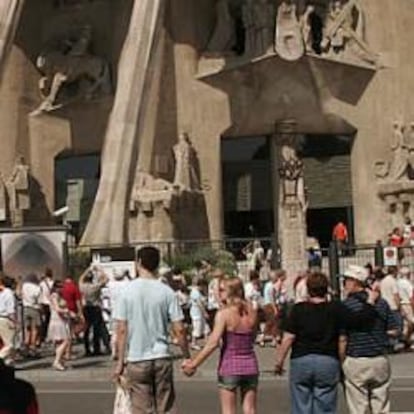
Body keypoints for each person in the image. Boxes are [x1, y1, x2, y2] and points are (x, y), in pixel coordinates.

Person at [275, 270, 379, 414]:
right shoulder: (335, 308)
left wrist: (279, 361)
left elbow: (288, 337)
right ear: (326, 289)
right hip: (327, 359)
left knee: (300, 403)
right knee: (325, 404)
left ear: (308, 289)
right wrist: (370, 303)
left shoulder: (297, 309)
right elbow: (358, 320)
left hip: (301, 359)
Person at [113, 246, 190, 414]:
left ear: (138, 262)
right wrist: (186, 355)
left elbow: (122, 330)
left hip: (137, 357)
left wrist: (120, 362)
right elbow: (179, 328)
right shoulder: (167, 292)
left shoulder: (126, 292)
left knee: (141, 407)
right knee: (166, 405)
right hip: (161, 355)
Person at [182, 277, 259, 414]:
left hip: (229, 365)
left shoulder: (224, 314)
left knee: (228, 410)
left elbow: (212, 343)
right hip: (250, 364)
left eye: (222, 290)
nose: (219, 292)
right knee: (250, 409)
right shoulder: (251, 311)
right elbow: (253, 337)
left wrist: (194, 364)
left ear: (231, 292)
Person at [341, 265, 399, 414]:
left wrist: (341, 359)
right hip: (379, 357)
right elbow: (393, 330)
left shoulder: (346, 305)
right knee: (381, 403)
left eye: (346, 281)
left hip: (356, 357)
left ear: (355, 282)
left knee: (358, 405)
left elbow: (343, 336)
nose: (344, 285)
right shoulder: (381, 303)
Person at [79, 265, 110, 356]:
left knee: (87, 329)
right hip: (95, 307)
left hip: (86, 308)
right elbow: (106, 279)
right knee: (97, 329)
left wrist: (88, 269)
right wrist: (100, 270)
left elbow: (81, 278)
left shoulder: (82, 286)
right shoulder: (95, 286)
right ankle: (97, 348)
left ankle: (87, 349)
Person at [47, 280, 71, 371]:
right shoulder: (55, 296)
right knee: (66, 340)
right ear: (56, 287)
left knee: (59, 342)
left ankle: (59, 361)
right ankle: (57, 361)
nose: (62, 288)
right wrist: (67, 311)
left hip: (60, 319)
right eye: (60, 287)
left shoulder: (57, 295)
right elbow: (57, 308)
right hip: (57, 320)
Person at [60, 273, 83, 359]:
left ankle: (61, 352)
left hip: (62, 311)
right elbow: (78, 301)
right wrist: (80, 313)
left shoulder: (62, 288)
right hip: (72, 311)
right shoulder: (74, 287)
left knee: (63, 333)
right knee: (70, 333)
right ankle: (68, 353)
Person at [21, 274, 41, 357]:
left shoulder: (24, 285)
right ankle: (33, 348)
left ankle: (26, 346)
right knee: (35, 329)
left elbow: (20, 294)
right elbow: (38, 299)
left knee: (27, 329)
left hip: (25, 308)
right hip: (34, 308)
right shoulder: (37, 288)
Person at [189, 277, 210, 351]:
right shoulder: (195, 292)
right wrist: (205, 313)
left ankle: (207, 341)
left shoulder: (198, 292)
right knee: (197, 328)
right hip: (196, 313)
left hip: (199, 313)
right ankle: (193, 343)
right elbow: (199, 304)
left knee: (205, 327)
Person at [0, 274, 16, 365]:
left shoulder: (1, 292)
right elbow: (11, 310)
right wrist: (14, 321)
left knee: (6, 343)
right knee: (10, 344)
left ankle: (8, 363)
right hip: (6, 319)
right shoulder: (9, 293)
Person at [397, 266, 414, 349]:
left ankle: (407, 341)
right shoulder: (407, 284)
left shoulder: (398, 282)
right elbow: (411, 297)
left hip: (402, 304)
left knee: (406, 324)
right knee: (412, 323)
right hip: (408, 304)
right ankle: (408, 340)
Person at [39, 268, 54, 345]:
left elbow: (40, 293)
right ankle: (49, 336)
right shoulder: (52, 283)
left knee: (43, 321)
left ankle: (42, 337)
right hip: (50, 303)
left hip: (43, 303)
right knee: (50, 320)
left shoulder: (41, 283)